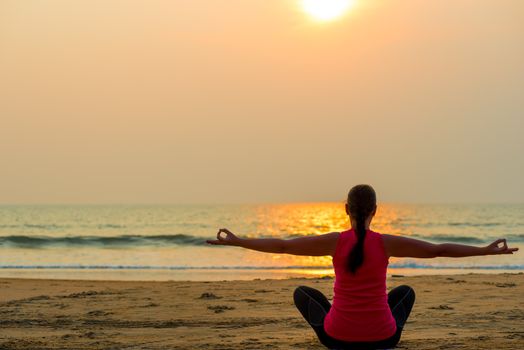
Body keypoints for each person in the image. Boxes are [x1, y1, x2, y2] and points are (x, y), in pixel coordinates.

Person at [206, 184, 518, 349]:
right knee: (405, 293)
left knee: (303, 292)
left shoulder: (334, 241)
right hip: (384, 339)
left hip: (337, 338)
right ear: (375, 211)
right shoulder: (385, 242)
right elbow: (438, 250)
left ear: (346, 210)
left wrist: (237, 241)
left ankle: (344, 329)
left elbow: (283, 245)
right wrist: (485, 251)